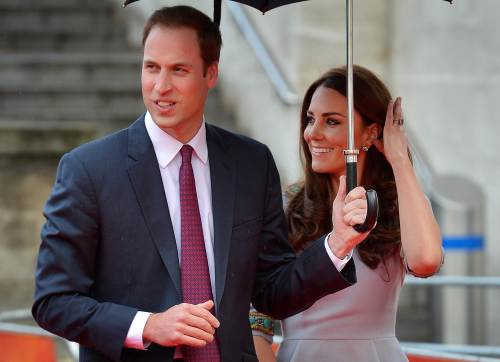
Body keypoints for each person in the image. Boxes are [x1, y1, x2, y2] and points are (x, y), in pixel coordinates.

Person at [32, 7, 373, 362]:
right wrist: (148, 325)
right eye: (151, 67)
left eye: (178, 69)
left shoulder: (251, 163)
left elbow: (273, 291)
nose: (160, 86)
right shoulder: (88, 170)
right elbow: (53, 301)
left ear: (211, 73)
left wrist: (337, 243)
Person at [251, 65, 443, 362]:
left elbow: (426, 261)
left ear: (370, 133)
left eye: (331, 122)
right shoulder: (285, 206)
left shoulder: (398, 203)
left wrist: (399, 159)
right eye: (310, 119)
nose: (312, 134)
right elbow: (256, 324)